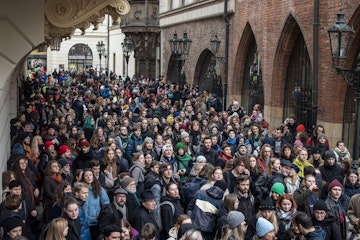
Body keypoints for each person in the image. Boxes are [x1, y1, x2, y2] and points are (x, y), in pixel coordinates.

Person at [81, 168, 110, 240]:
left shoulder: (99, 188)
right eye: (86, 175)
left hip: (96, 222)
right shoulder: (80, 189)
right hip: (83, 222)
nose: (88, 177)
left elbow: (106, 203)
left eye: (90, 175)